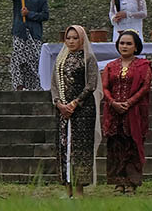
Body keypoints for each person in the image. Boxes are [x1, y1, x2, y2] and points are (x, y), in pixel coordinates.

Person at [51, 24, 102, 197]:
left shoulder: (88, 59)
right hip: (62, 111)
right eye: (68, 38)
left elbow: (91, 84)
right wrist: (59, 104)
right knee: (64, 147)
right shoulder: (60, 60)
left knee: (80, 149)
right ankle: (67, 189)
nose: (71, 41)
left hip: (83, 110)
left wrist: (74, 103)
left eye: (75, 38)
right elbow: (54, 85)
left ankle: (79, 190)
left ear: (82, 39)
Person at [101, 29, 151, 194]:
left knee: (132, 145)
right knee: (115, 146)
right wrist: (113, 102)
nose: (124, 46)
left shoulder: (143, 66)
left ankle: (132, 182)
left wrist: (129, 102)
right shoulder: (110, 66)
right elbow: (105, 87)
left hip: (134, 112)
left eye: (129, 43)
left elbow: (145, 87)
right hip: (113, 112)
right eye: (122, 43)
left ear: (136, 47)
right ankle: (118, 183)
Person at [0, 0, 49, 90]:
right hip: (19, 33)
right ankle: (19, 86)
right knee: (17, 60)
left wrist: (29, 14)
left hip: (34, 34)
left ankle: (34, 87)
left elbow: (45, 15)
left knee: (33, 62)